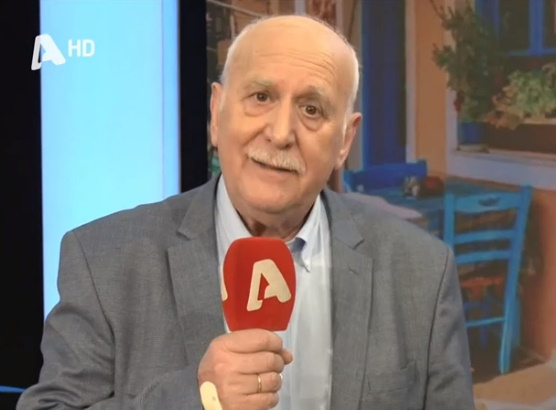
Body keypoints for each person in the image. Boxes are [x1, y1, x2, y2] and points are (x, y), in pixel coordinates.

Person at [17, 14, 475, 410]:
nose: (280, 133)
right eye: (260, 97)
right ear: (216, 113)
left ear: (344, 141)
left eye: (311, 109)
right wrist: (197, 397)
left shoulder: (423, 271)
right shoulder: (104, 261)